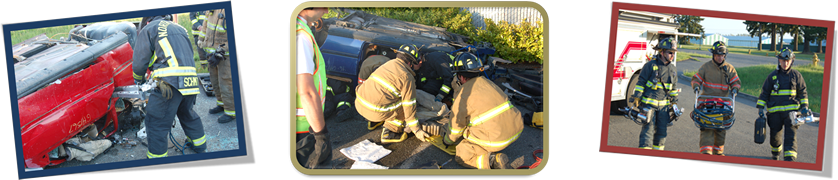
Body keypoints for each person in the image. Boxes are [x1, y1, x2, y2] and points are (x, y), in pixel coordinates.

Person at [133, 15, 206, 158]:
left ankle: (156, 158)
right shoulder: (180, 28)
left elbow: (140, 60)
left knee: (156, 122)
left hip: (169, 83)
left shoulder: (149, 28)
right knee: (187, 113)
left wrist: (139, 80)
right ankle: (199, 145)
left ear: (147, 21)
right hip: (190, 81)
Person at [441, 52, 523, 169]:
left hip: (497, 140)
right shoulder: (488, 83)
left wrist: (447, 141)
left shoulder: (463, 95)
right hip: (516, 128)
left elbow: (455, 128)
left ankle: (492, 161)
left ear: (462, 77)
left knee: (462, 153)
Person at [355, 44, 430, 143]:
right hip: (373, 111)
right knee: (404, 105)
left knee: (383, 95)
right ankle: (390, 132)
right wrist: (417, 130)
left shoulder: (388, 64)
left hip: (359, 104)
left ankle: (373, 123)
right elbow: (409, 108)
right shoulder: (406, 77)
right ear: (409, 63)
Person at [756, 48, 809, 161]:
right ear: (779, 60)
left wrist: (804, 107)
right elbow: (764, 93)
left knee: (791, 137)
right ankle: (776, 152)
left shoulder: (796, 76)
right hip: (775, 114)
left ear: (792, 61)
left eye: (788, 61)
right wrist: (760, 108)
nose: (785, 63)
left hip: (792, 114)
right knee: (775, 138)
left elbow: (803, 92)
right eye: (783, 60)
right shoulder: (772, 77)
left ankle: (790, 159)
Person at [295, 7, 332, 169]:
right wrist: (321, 135)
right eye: (323, 6)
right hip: (300, 125)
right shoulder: (301, 37)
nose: (326, 11)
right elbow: (307, 92)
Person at [628, 37, 679, 150]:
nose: (672, 55)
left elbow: (674, 89)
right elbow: (641, 82)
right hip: (649, 106)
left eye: (673, 53)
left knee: (662, 133)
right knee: (648, 132)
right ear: (662, 52)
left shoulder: (673, 69)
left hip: (664, 109)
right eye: (670, 52)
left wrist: (674, 103)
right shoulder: (650, 66)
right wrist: (637, 97)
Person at [690, 41, 740, 156]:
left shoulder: (729, 69)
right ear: (713, 55)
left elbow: (736, 82)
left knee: (720, 130)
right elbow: (696, 79)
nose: (720, 57)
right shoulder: (706, 67)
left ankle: (718, 153)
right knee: (707, 129)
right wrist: (696, 87)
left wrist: (735, 89)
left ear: (725, 55)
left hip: (723, 106)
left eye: (722, 55)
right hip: (707, 105)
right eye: (717, 55)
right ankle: (706, 153)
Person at [198, 9, 236, 123]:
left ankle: (231, 111)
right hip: (212, 54)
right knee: (215, 81)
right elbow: (205, 26)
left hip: (226, 56)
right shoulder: (211, 9)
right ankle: (221, 104)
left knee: (226, 82)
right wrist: (201, 40)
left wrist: (221, 51)